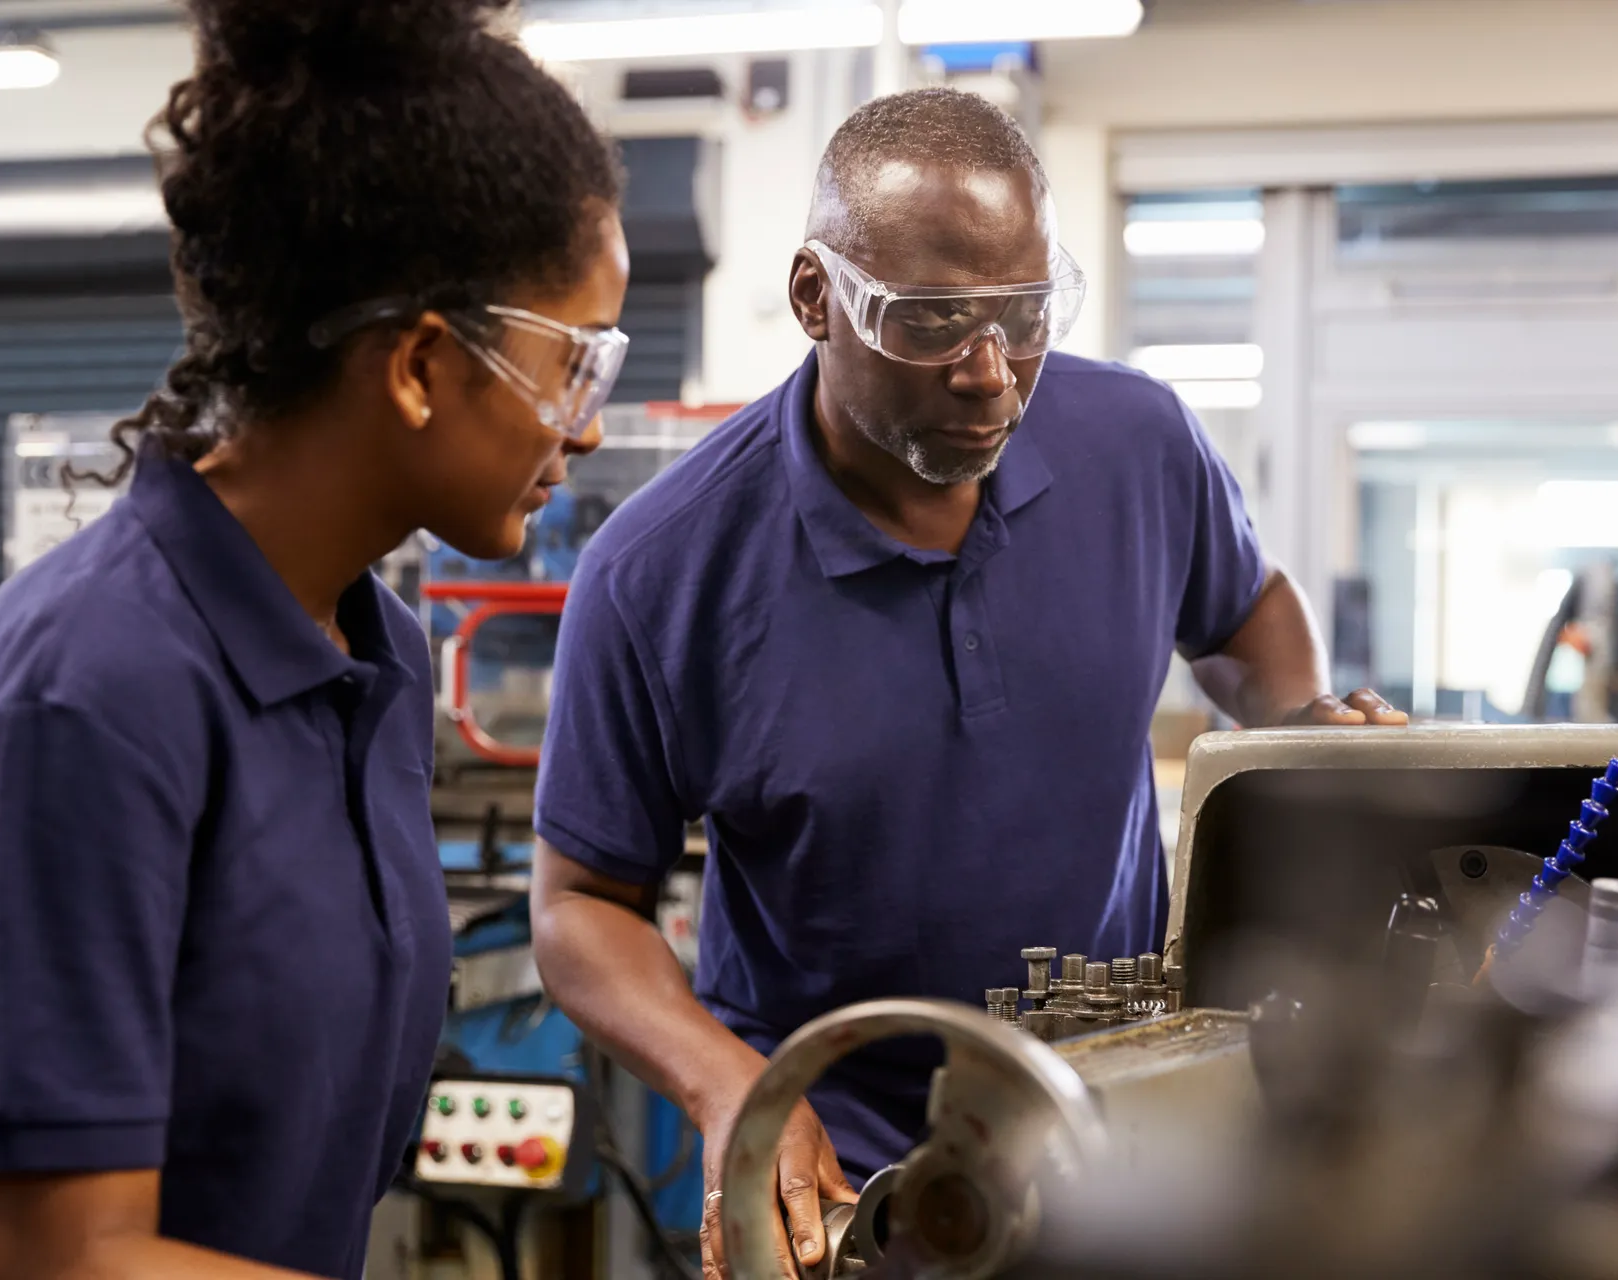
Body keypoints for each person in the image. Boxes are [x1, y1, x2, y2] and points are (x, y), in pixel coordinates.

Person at [528, 88, 1405, 1279]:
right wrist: (735, 1085)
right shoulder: (658, 574)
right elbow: (580, 908)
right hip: (848, 1175)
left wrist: (1298, 731)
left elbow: (1248, 610)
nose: (991, 372)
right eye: (935, 320)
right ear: (814, 300)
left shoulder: (1138, 444)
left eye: (1026, 313)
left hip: (1121, 1119)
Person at [0, 2, 627, 1277]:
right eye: (574, 361)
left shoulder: (382, 662)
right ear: (418, 364)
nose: (582, 428)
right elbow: (66, 1258)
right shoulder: (86, 693)